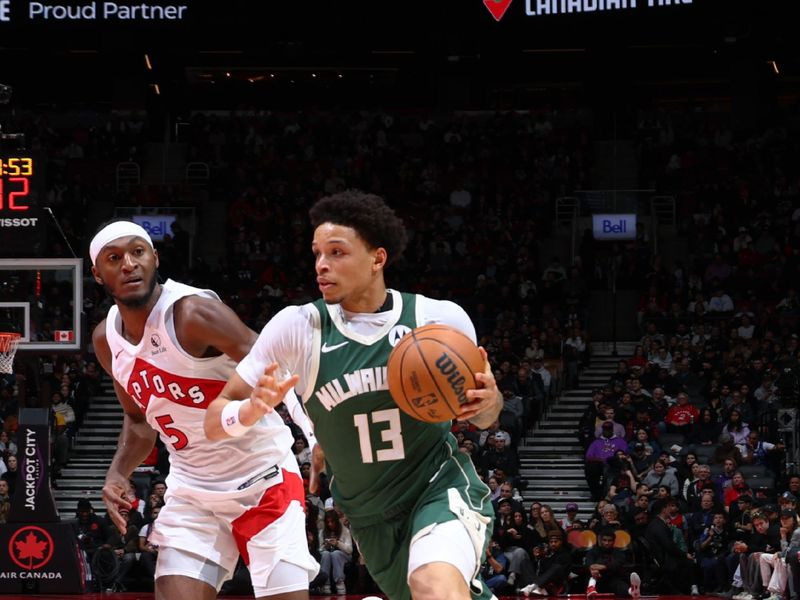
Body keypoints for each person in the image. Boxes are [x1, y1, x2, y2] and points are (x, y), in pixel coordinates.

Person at [205, 190, 503, 600]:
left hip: (438, 486)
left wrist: (489, 404)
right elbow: (214, 418)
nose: (321, 265)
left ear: (378, 259)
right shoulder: (297, 328)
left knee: (434, 584)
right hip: (369, 515)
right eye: (317, 253)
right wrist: (250, 412)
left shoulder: (438, 321)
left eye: (337, 252)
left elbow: (485, 419)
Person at [89, 220, 318, 600]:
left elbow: (277, 364)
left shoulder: (193, 314)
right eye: (115, 258)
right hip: (192, 492)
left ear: (155, 258)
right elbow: (137, 419)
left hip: (262, 480)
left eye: (137, 252)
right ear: (98, 274)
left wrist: (316, 435)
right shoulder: (106, 339)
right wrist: (118, 471)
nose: (129, 264)